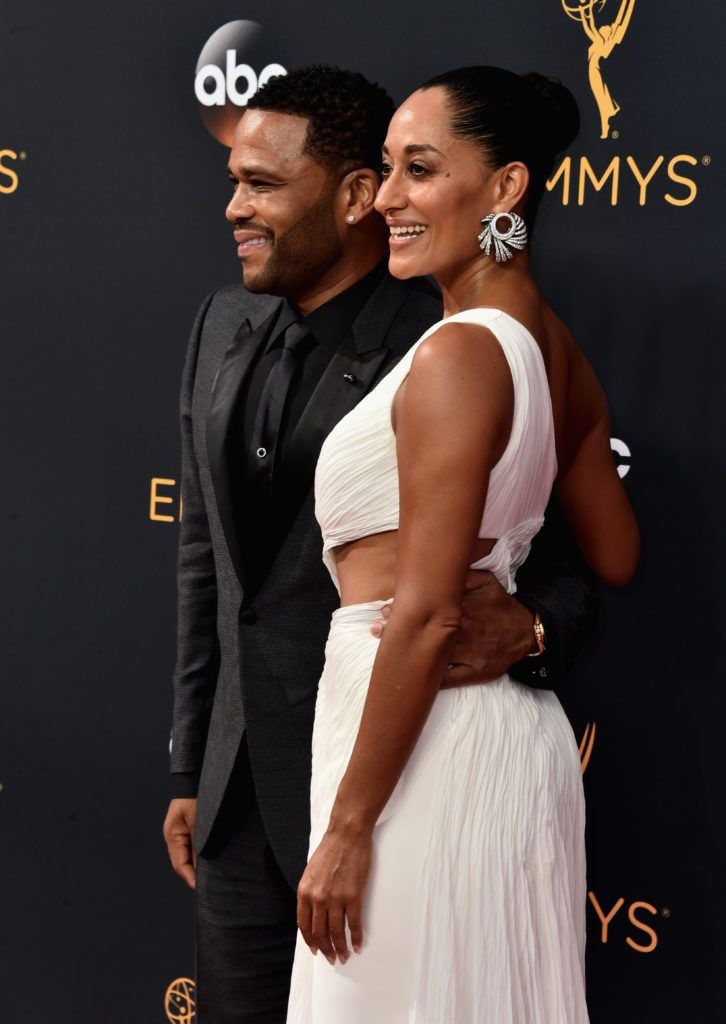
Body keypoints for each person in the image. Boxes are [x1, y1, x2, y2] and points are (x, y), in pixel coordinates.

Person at [163, 66, 597, 1024]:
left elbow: (557, 557)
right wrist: (192, 764)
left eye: (263, 185)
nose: (236, 207)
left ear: (353, 196)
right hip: (246, 792)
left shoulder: (454, 332)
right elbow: (210, 566)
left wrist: (530, 631)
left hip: (402, 773)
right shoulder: (222, 323)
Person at [286, 67, 639, 1022]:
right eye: (388, 168)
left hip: (419, 750)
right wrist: (525, 612)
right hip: (503, 741)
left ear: (507, 187)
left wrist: (351, 828)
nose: (387, 197)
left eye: (420, 169)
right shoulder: (555, 351)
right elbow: (615, 554)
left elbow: (431, 609)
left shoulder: (456, 353)